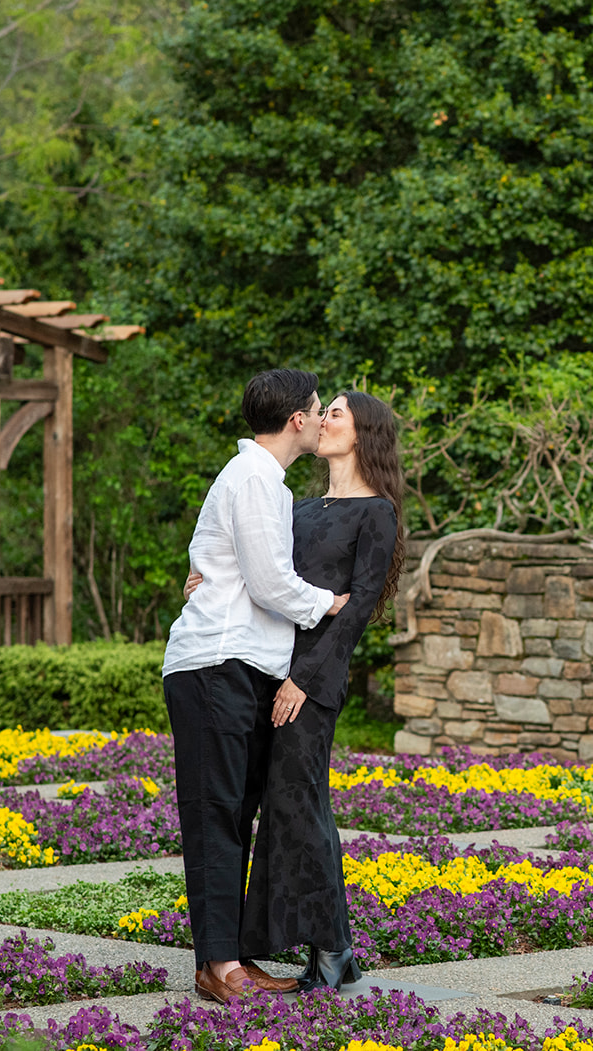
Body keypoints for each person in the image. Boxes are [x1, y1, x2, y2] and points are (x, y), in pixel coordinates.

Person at [185, 390, 406, 992]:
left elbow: (358, 610)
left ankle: (334, 947)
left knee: (299, 805)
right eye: (322, 409)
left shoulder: (377, 512)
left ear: (364, 433)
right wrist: (208, 576)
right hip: (266, 672)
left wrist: (306, 681)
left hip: (310, 682)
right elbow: (261, 570)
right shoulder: (295, 507)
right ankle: (281, 945)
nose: (321, 419)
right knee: (272, 809)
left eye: (336, 412)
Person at [161, 369, 351, 1005]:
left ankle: (228, 958)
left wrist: (206, 576)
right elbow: (270, 583)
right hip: (216, 663)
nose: (325, 418)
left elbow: (210, 557)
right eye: (320, 409)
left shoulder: (261, 481)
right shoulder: (251, 478)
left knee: (236, 813)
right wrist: (331, 604)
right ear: (297, 419)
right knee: (217, 814)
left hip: (241, 665)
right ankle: (218, 967)